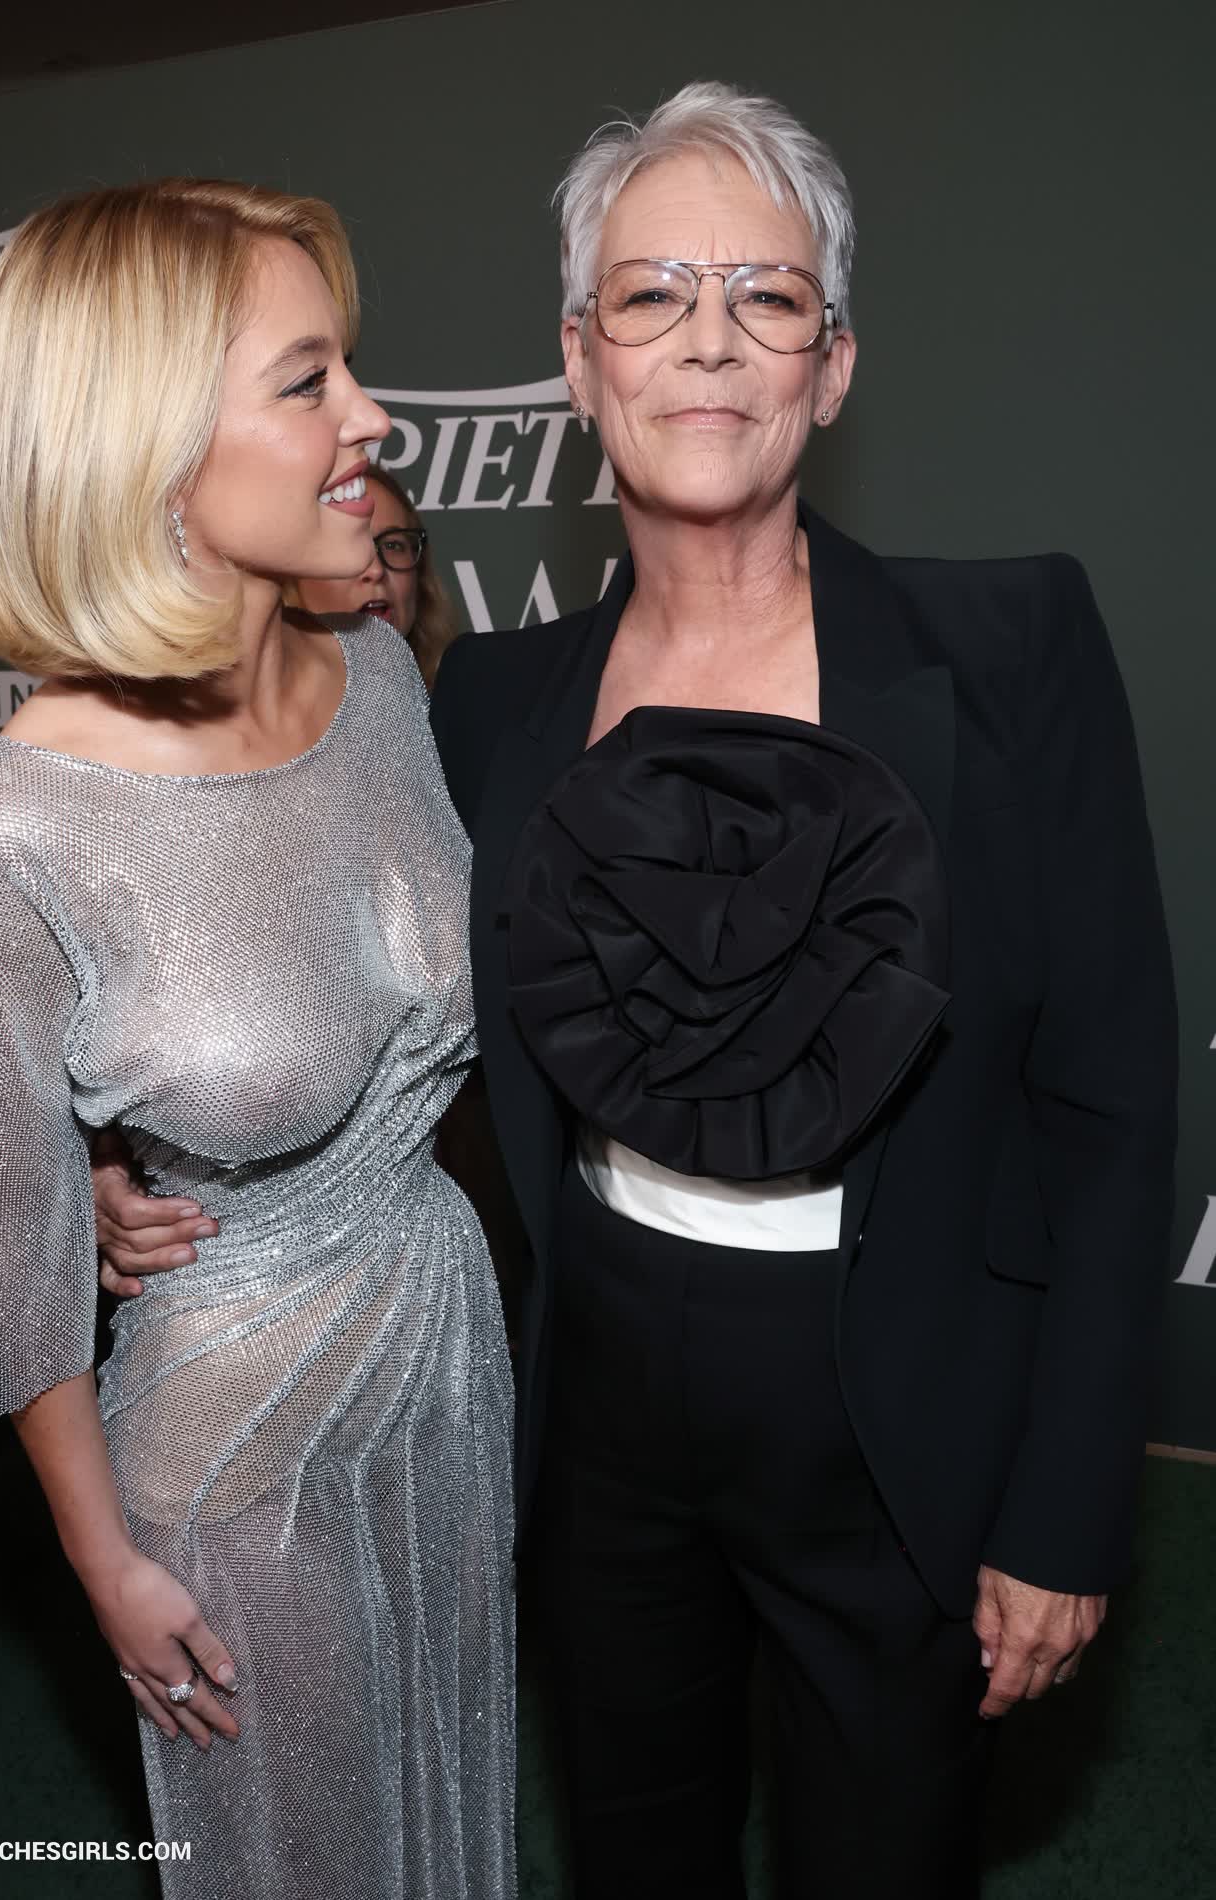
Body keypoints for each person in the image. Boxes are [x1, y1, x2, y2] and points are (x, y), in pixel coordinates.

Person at [98, 84, 1178, 1898]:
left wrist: (1068, 1506)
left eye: (768, 298)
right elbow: (317, 966)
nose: (709, 342)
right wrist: (125, 1160)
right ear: (579, 360)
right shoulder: (485, 702)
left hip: (907, 1398)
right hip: (599, 1392)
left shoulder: (1014, 649)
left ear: (833, 366)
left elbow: (1112, 1097)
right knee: (634, 1850)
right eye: (653, 294)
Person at [0, 177, 514, 1900]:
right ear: (151, 448)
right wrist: (103, 1563)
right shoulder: (13, 827)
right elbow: (5, 1254)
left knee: (446, 1800)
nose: (371, 419)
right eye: (308, 380)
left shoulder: (374, 682)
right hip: (236, 1446)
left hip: (445, 1350)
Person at [292, 462, 458, 687]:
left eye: (392, 545)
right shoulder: (251, 707)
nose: (376, 570)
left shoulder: (461, 702)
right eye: (345, 544)